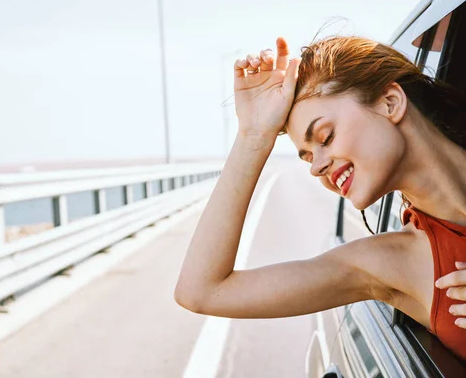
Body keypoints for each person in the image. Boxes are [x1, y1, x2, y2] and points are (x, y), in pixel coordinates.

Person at [173, 36, 466, 360]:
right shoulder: (394, 261)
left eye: (325, 136)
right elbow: (202, 291)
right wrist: (253, 136)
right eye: (307, 156)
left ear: (390, 103)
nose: (316, 167)